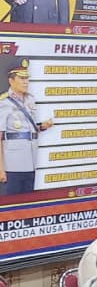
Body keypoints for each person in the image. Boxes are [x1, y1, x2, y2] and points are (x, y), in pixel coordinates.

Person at [0, 65, 53, 195]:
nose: (26, 82)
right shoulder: (3, 102)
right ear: (11, 81)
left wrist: (42, 127)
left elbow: (27, 129)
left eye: (27, 78)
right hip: (12, 165)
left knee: (27, 200)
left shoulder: (30, 99)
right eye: (22, 78)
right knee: (12, 202)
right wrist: (1, 169)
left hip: (31, 161)